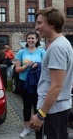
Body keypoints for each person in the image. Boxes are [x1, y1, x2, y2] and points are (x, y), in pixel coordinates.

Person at [30, 7, 73, 139]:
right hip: (56, 109)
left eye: (39, 23)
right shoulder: (62, 44)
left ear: (52, 23)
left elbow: (56, 85)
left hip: (52, 111)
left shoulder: (57, 48)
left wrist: (40, 115)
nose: (36, 27)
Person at [15, 31, 45, 138]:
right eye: (29, 38)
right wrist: (26, 66)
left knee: (38, 106)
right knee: (27, 106)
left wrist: (38, 66)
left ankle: (39, 129)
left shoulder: (42, 52)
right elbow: (17, 69)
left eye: (33, 38)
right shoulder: (21, 52)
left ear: (37, 40)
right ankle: (27, 128)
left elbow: (46, 68)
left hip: (38, 83)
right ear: (26, 40)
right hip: (24, 83)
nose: (31, 40)